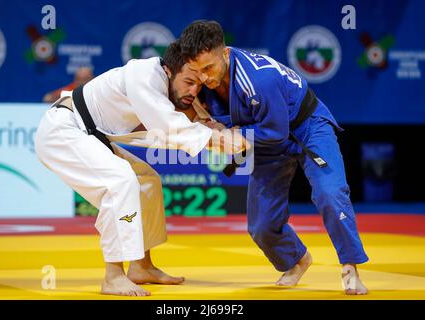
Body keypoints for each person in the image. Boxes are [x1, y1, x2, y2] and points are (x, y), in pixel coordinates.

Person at [35, 41, 242, 297]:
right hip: (62, 130)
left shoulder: (168, 88)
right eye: (189, 81)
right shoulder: (144, 74)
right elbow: (168, 127)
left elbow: (178, 125)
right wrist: (217, 140)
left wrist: (214, 129)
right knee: (120, 181)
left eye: (198, 85)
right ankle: (113, 276)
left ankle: (141, 266)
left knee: (146, 180)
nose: (193, 90)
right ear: (170, 70)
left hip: (91, 134)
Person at [179, 20, 369, 295]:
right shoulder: (200, 81)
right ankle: (296, 259)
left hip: (306, 129)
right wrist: (214, 129)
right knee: (261, 226)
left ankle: (351, 266)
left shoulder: (259, 79)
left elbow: (276, 133)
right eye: (198, 71)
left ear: (226, 53)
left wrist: (232, 134)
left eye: (210, 68)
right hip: (264, 136)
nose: (205, 77)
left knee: (330, 192)